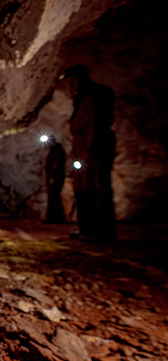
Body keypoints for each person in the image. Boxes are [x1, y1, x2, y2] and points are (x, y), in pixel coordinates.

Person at [63, 65, 117, 241]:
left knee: (96, 188)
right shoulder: (82, 97)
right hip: (83, 147)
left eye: (72, 81)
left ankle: (100, 230)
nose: (70, 85)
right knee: (83, 189)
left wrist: (88, 150)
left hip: (93, 148)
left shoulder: (93, 95)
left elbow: (94, 123)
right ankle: (87, 228)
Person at [43, 136, 66, 223]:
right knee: (54, 196)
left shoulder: (55, 151)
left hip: (55, 177)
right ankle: (55, 218)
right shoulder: (56, 150)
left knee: (54, 196)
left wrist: (52, 177)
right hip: (56, 177)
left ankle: (55, 218)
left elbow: (55, 165)